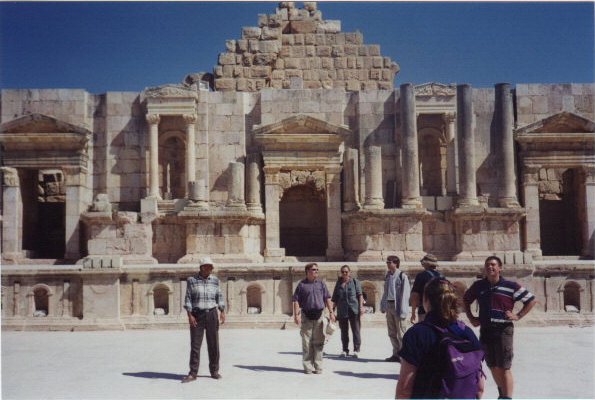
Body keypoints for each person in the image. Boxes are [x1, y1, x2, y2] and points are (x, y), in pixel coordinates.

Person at [396, 278, 485, 399]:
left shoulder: (417, 334)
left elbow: (404, 390)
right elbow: (479, 388)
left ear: (426, 300)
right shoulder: (466, 332)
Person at [463, 256, 536, 399]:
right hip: (486, 329)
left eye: (493, 264)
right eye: (487, 265)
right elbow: (466, 299)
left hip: (503, 330)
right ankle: (502, 394)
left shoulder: (511, 286)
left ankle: (507, 398)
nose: (490, 267)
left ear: (500, 268)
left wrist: (518, 315)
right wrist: (471, 317)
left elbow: (531, 300)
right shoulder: (479, 286)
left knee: (504, 366)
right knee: (492, 364)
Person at [181, 256, 226, 383]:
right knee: (195, 345)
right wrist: (189, 315)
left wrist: (222, 311)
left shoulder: (215, 280)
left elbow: (219, 296)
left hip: (212, 314)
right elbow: (188, 298)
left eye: (211, 267)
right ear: (202, 268)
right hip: (197, 314)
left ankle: (214, 371)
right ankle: (193, 373)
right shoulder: (192, 280)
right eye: (208, 267)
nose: (211, 269)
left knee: (213, 344)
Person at [292, 262, 336, 374]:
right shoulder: (301, 285)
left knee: (319, 342)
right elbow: (296, 300)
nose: (316, 271)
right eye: (313, 269)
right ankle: (308, 367)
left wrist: (331, 312)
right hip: (306, 316)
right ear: (307, 271)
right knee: (306, 343)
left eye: (317, 269)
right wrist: (296, 315)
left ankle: (318, 366)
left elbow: (327, 298)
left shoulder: (321, 284)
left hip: (319, 315)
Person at [380, 255, 410, 362]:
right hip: (389, 305)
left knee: (401, 332)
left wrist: (403, 310)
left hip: (398, 306)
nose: (388, 264)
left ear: (396, 263)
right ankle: (396, 354)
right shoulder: (388, 276)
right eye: (387, 262)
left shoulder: (402, 276)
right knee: (391, 332)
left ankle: (403, 355)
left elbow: (405, 294)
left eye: (390, 262)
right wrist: (383, 305)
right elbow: (385, 292)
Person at [331, 265, 364, 358]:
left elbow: (360, 295)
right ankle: (345, 349)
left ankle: (356, 349)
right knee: (344, 331)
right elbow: (335, 297)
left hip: (353, 309)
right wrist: (332, 311)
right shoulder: (339, 283)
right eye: (343, 272)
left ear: (349, 272)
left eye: (346, 272)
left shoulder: (355, 282)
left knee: (356, 330)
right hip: (342, 310)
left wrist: (361, 307)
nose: (344, 273)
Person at [410, 253, 442, 323]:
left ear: (425, 264)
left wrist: (413, 313)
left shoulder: (421, 276)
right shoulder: (442, 276)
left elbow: (415, 295)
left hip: (424, 311)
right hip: (440, 311)